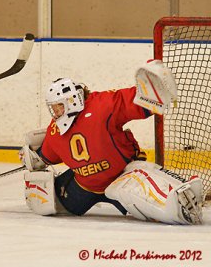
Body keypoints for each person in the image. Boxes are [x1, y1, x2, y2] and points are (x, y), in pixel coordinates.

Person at [20, 60, 203, 225]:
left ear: (72, 100)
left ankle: (174, 197)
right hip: (84, 187)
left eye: (58, 106)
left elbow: (142, 103)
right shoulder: (64, 125)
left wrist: (33, 157)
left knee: (139, 178)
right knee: (47, 202)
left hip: (120, 176)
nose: (56, 112)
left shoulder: (101, 106)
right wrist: (33, 157)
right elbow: (45, 156)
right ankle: (170, 200)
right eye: (53, 108)